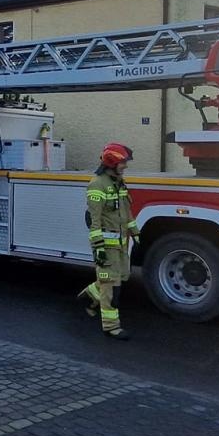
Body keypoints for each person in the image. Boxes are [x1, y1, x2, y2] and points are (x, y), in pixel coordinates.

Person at [78, 141, 139, 339]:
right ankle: (111, 327)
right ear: (112, 163)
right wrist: (99, 249)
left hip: (121, 245)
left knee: (120, 278)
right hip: (105, 247)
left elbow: (126, 211)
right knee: (111, 288)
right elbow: (94, 221)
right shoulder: (97, 185)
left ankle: (90, 295)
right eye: (123, 163)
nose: (126, 166)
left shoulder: (119, 183)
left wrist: (135, 233)